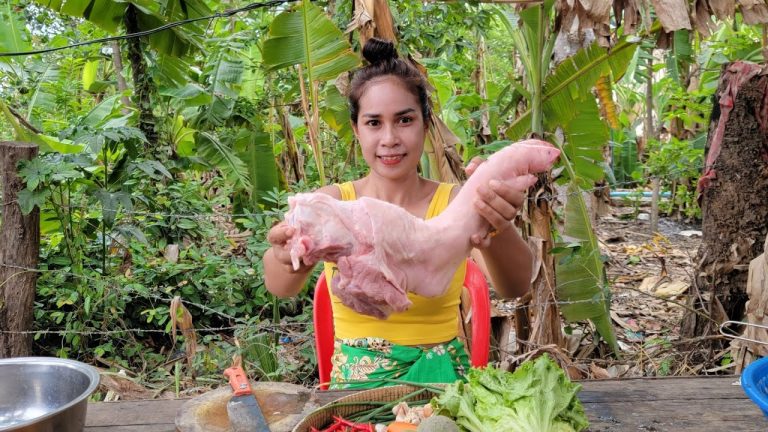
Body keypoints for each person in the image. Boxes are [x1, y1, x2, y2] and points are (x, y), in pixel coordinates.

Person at [263, 37, 533, 389]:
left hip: (444, 389)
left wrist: (496, 222)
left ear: (426, 123)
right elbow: (280, 287)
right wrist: (287, 254)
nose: (389, 138)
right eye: (374, 123)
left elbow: (515, 286)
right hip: (355, 395)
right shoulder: (333, 204)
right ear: (357, 129)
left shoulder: (457, 203)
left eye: (404, 120)